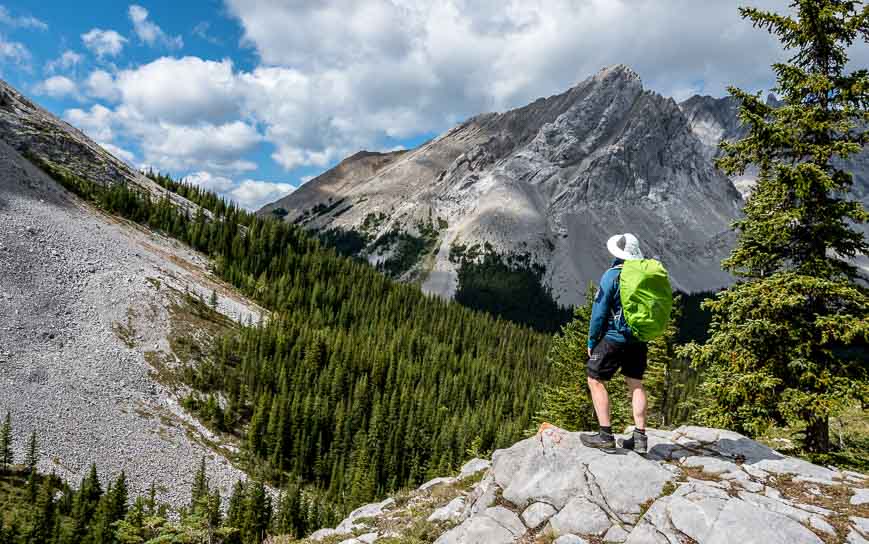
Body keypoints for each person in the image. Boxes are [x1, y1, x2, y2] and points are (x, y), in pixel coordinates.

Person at [580, 233, 648, 453]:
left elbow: (599, 312)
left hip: (614, 338)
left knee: (595, 378)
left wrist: (592, 340)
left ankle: (605, 436)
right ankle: (640, 438)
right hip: (638, 339)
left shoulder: (612, 275)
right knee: (635, 383)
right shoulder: (644, 275)